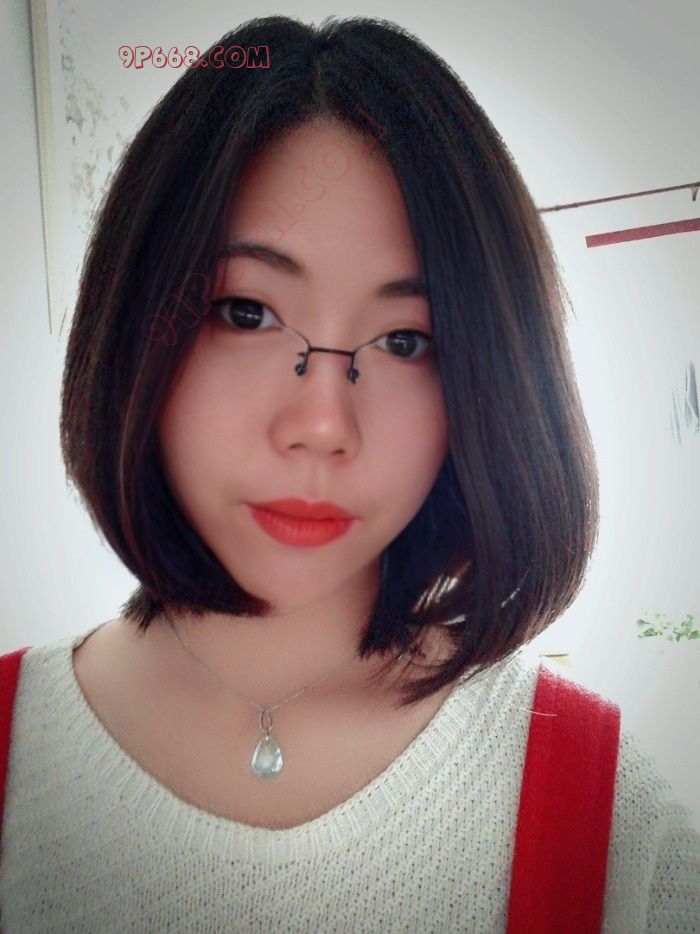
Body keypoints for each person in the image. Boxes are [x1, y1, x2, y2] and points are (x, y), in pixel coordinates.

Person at [1, 14, 698, 931]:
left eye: (406, 341)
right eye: (246, 313)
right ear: (133, 326)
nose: (323, 426)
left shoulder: (606, 822)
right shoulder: (16, 751)